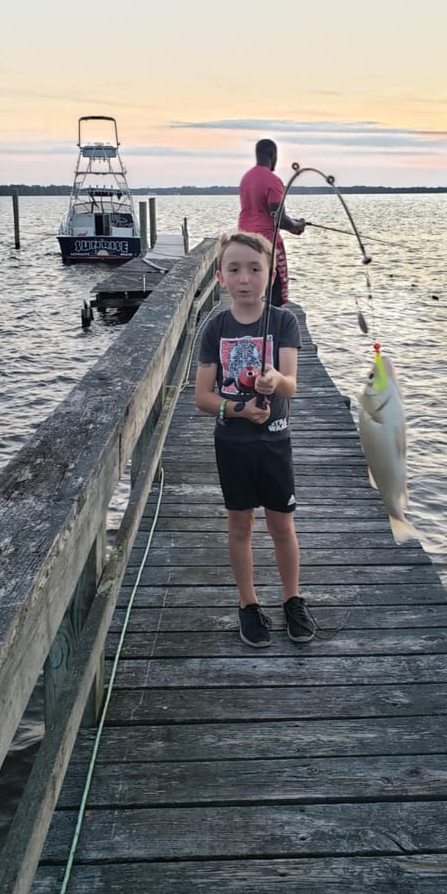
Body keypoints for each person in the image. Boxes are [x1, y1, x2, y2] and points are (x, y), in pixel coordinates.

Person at [195, 231, 316, 648]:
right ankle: (248, 604)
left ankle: (292, 599)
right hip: (233, 443)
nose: (244, 278)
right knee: (240, 524)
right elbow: (203, 396)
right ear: (219, 278)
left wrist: (274, 380)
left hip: (275, 441)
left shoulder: (283, 321)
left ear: (270, 275)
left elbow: (291, 384)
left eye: (254, 269)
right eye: (234, 270)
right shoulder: (215, 328)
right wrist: (238, 410)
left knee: (282, 524)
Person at [238, 138, 305, 306]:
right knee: (276, 292)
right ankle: (273, 328)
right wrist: (296, 226)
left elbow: (263, 211)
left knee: (253, 290)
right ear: (272, 155)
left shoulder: (246, 178)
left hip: (244, 241)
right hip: (268, 244)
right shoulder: (272, 180)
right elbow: (278, 217)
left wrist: (292, 222)